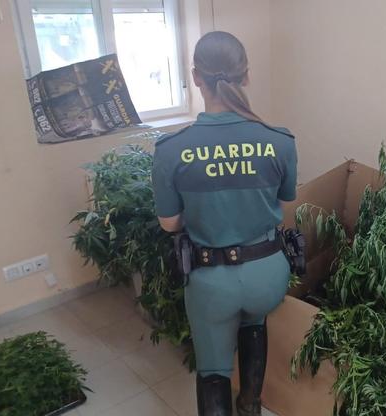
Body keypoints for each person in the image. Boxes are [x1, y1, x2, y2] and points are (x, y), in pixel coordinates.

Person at [151, 31, 297, 416]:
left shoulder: (171, 151)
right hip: (268, 275)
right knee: (255, 322)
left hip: (212, 282)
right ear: (245, 76)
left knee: (213, 367)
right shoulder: (279, 141)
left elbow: (170, 225)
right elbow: (282, 204)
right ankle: (250, 406)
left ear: (196, 77)